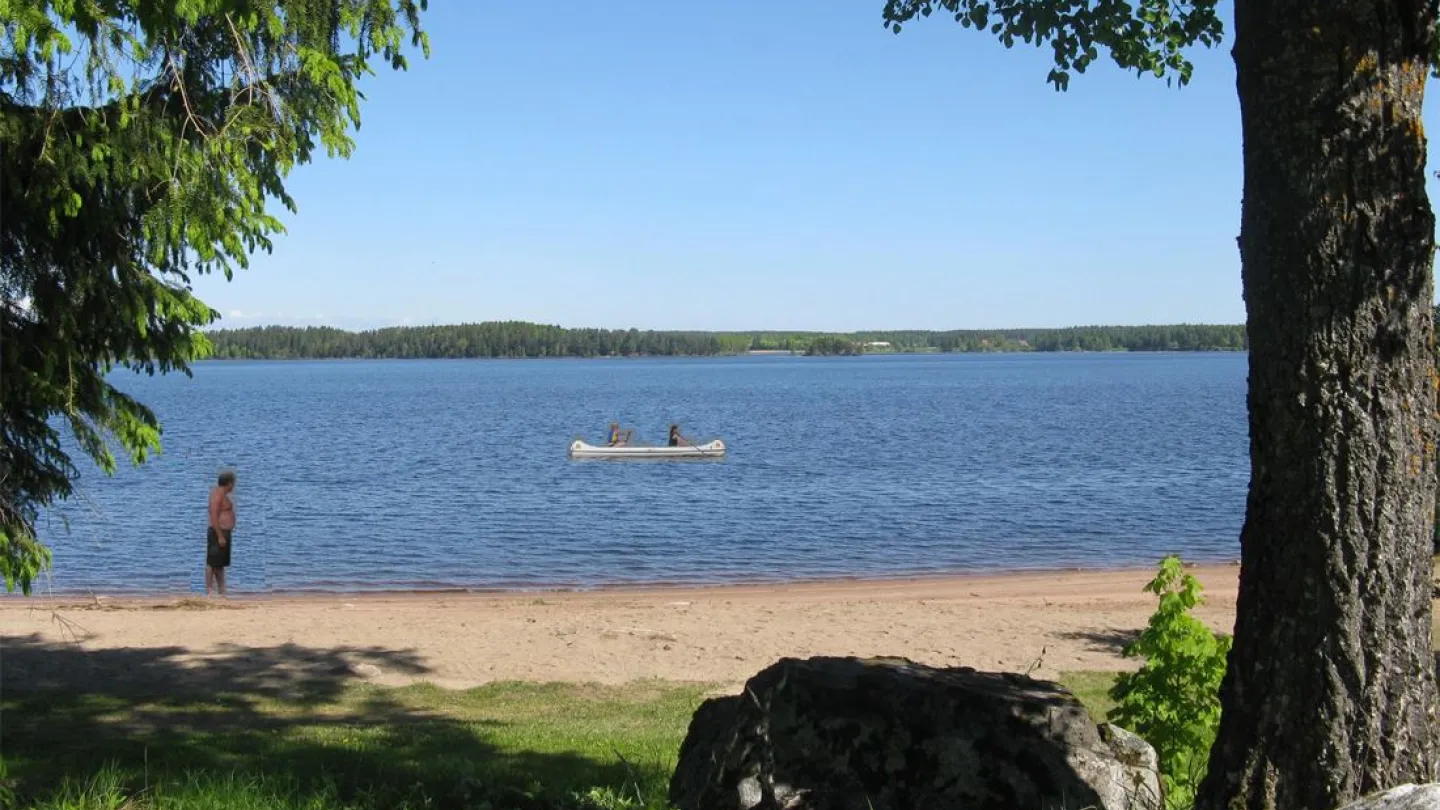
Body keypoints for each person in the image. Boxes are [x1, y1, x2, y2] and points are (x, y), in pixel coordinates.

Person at [206, 469, 236, 597]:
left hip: (224, 532)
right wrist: (219, 535)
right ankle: (210, 590)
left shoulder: (222, 494)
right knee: (212, 563)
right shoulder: (217, 494)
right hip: (218, 532)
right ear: (229, 483)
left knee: (220, 564)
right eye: (233, 483)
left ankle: (222, 591)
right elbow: (213, 515)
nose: (234, 486)